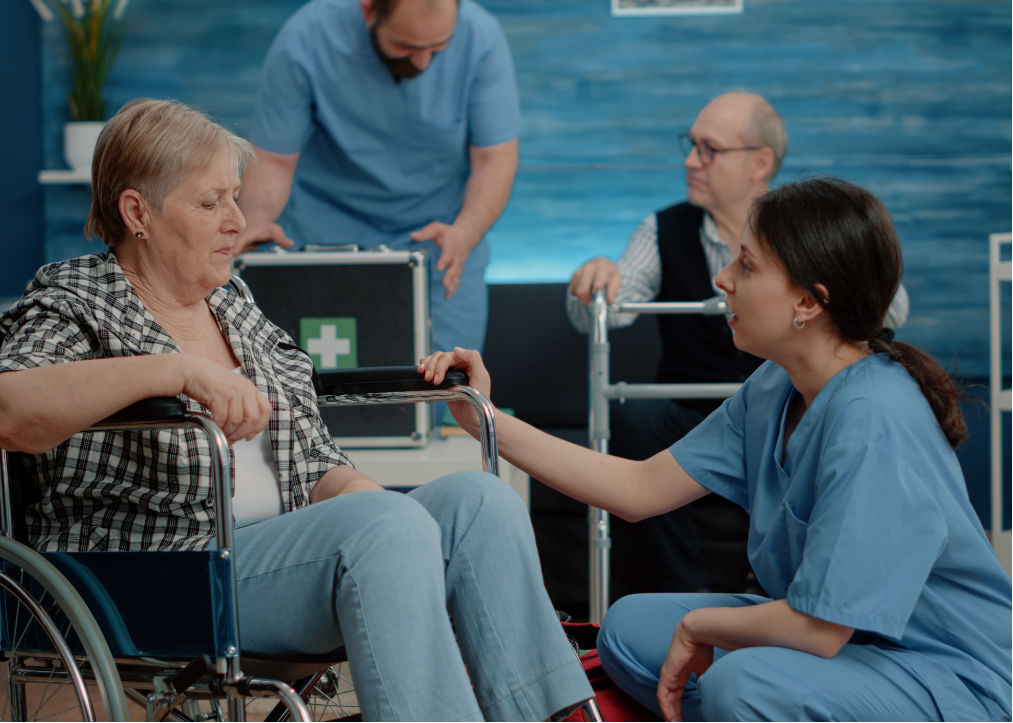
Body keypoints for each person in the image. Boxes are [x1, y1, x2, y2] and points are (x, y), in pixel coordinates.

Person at [0, 99, 591, 722]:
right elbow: (11, 408)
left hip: (275, 562)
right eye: (211, 203)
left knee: (479, 504)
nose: (237, 221)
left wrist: (396, 514)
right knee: (382, 527)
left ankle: (550, 717)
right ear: (136, 211)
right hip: (155, 576)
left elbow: (317, 467)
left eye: (236, 197)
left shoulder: (239, 312)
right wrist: (173, 369)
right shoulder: (77, 299)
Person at [420, 177, 1011, 721]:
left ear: (809, 302)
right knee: (628, 626)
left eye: (746, 266)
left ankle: (751, 700)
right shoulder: (774, 387)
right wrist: (486, 418)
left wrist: (702, 627)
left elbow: (825, 628)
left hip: (944, 671)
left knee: (743, 681)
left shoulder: (876, 418)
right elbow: (640, 489)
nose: (723, 278)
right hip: (844, 648)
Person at [566, 92, 909, 599]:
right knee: (638, 420)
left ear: (760, 162)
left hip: (784, 412)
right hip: (698, 416)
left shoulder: (807, 235)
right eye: (690, 146)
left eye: (708, 149)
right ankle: (686, 588)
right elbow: (598, 314)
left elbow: (886, 308)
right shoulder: (663, 230)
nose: (689, 161)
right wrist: (596, 283)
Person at [234, 0, 520, 360]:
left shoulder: (482, 38)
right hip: (329, 237)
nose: (422, 62)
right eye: (407, 47)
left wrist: (466, 231)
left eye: (438, 48)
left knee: (446, 389)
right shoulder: (306, 38)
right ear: (368, 10)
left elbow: (495, 157)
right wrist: (256, 220)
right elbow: (274, 158)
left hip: (443, 241)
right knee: (317, 387)